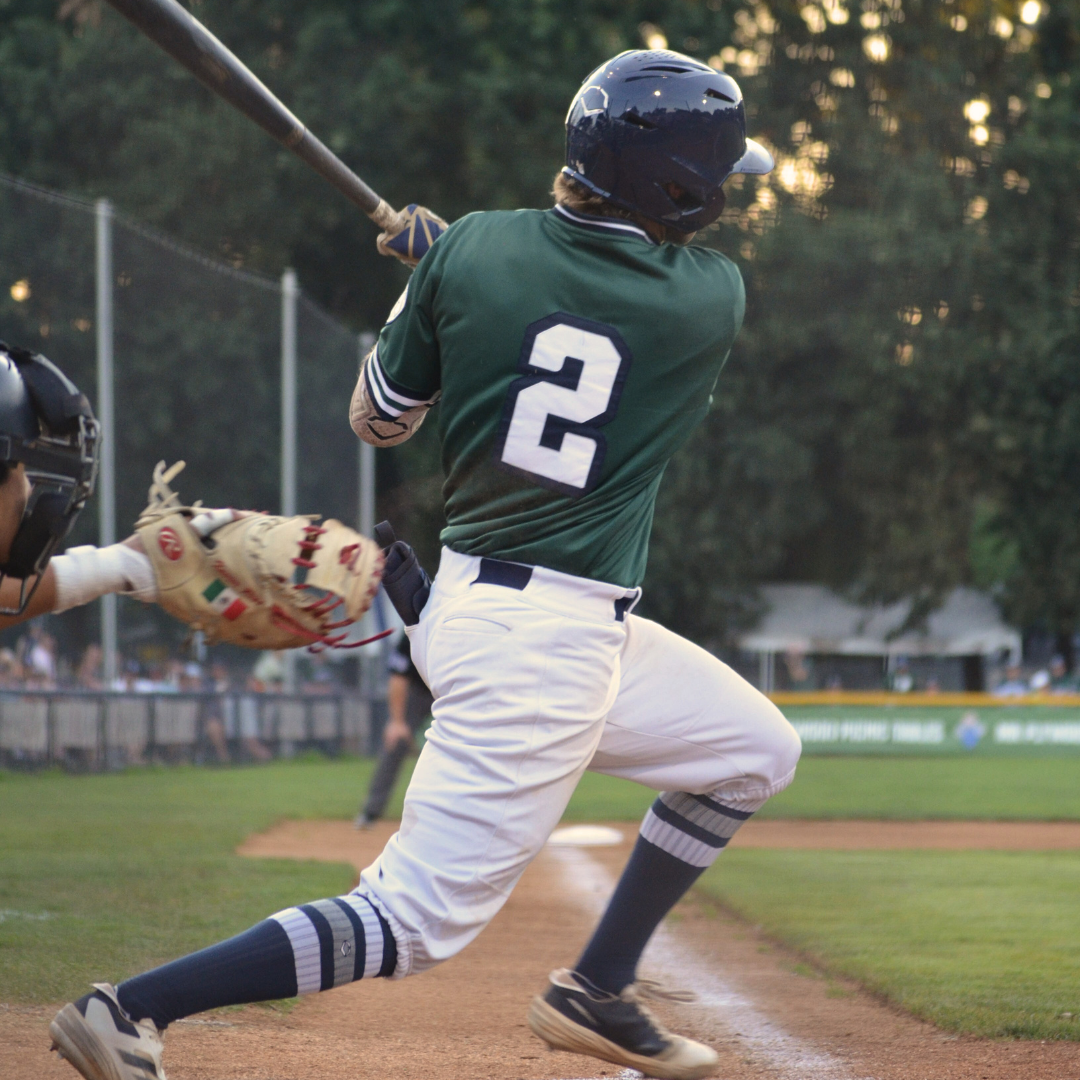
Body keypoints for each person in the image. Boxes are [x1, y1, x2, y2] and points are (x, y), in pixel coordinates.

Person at [49, 51, 800, 1080]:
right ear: (677, 186)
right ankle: (127, 1009)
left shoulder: (479, 251)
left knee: (753, 749)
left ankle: (596, 989)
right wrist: (446, 277)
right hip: (540, 653)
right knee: (408, 923)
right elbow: (567, 298)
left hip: (518, 616)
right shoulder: (710, 297)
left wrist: (432, 287)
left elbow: (378, 420)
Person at [354, 632, 434, 829]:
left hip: (452, 689)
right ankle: (371, 811)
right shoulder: (415, 630)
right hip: (418, 691)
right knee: (396, 742)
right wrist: (397, 722)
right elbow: (398, 677)